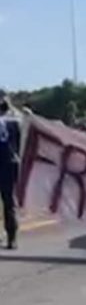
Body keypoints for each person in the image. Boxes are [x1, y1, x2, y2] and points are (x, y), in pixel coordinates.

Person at [0, 95, 21, 250]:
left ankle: (10, 236)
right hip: (10, 164)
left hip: (6, 164)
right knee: (9, 202)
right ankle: (11, 238)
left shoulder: (12, 122)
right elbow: (20, 146)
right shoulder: (15, 122)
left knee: (8, 203)